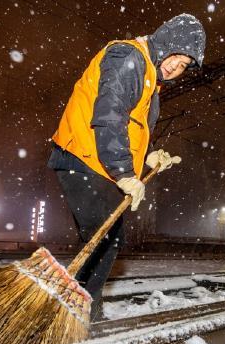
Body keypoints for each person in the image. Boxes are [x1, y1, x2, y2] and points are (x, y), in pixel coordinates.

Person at [49, 15, 206, 319]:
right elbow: (109, 117)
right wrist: (124, 173)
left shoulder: (149, 79)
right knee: (104, 238)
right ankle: (80, 312)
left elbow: (129, 128)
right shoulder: (129, 57)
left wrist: (147, 157)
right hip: (82, 156)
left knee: (105, 239)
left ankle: (79, 308)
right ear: (164, 41)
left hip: (96, 161)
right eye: (176, 55)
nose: (176, 67)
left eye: (185, 64)